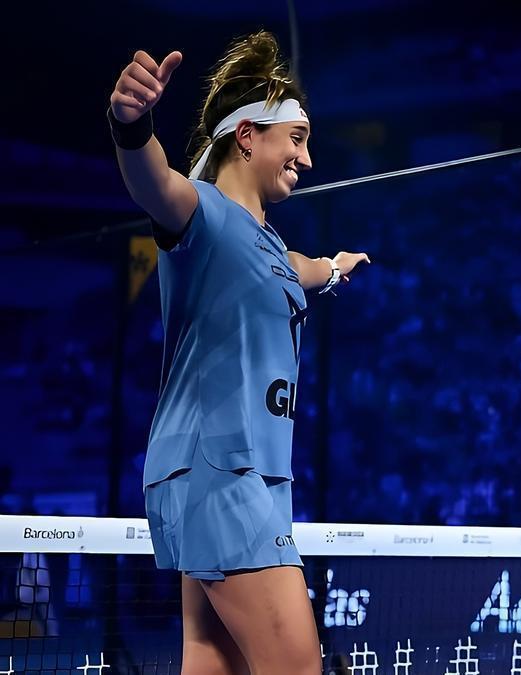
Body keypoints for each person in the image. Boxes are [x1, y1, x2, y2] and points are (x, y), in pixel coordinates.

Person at [108, 31, 370, 674]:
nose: (307, 159)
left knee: (214, 663)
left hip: (251, 476)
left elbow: (304, 269)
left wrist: (335, 269)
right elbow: (155, 185)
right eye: (298, 138)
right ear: (247, 135)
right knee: (296, 667)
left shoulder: (274, 251)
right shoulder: (204, 216)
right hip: (217, 472)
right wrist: (130, 124)